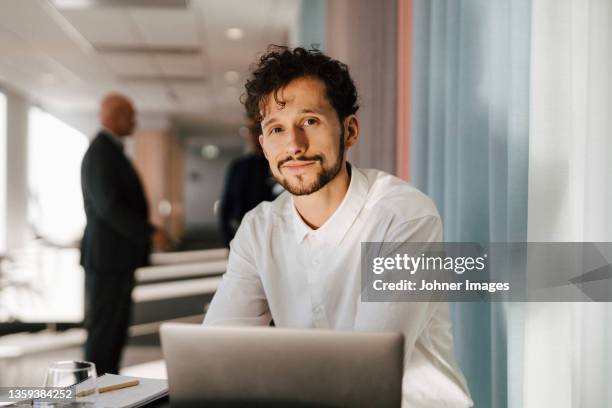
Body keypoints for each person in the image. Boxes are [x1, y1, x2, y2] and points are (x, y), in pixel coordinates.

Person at [203, 47, 473, 407]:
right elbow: (218, 353)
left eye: (310, 122)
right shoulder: (259, 229)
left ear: (349, 130)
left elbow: (366, 373)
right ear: (264, 145)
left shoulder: (404, 217)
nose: (294, 146)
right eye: (277, 129)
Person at [80, 93, 169, 375]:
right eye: (130, 115)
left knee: (114, 330)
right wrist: (149, 232)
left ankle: (104, 386)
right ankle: (92, 392)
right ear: (112, 116)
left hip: (114, 258)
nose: (135, 121)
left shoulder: (110, 150)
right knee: (105, 331)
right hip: (107, 258)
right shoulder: (101, 152)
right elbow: (109, 207)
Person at [219, 121, 279, 247]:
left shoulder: (277, 164)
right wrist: (228, 239)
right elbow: (226, 204)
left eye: (256, 130)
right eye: (248, 130)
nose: (252, 135)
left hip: (274, 233)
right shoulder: (239, 166)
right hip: (242, 232)